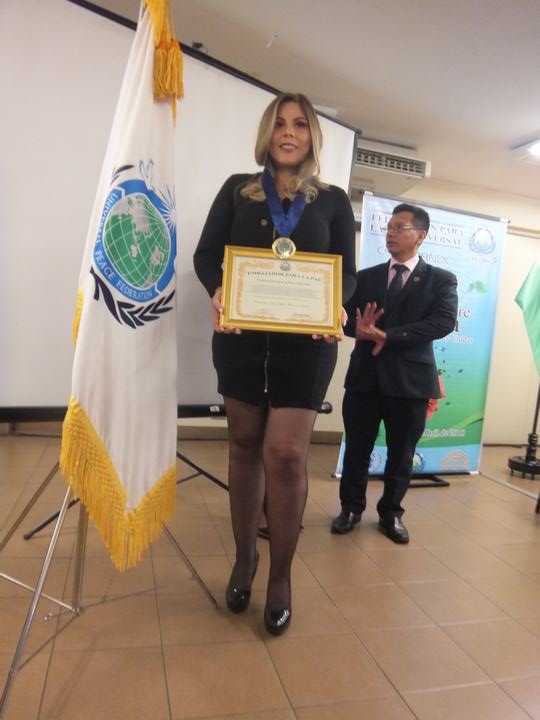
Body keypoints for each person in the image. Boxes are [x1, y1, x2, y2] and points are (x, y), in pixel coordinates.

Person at [194, 92, 356, 634]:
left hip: (306, 347)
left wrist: (338, 303)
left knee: (285, 455)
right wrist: (219, 289)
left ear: (312, 137)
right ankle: (245, 559)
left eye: (301, 125)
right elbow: (206, 255)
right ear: (268, 132)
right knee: (244, 446)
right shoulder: (236, 190)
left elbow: (347, 273)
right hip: (241, 342)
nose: (290, 133)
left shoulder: (333, 201)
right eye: (281, 123)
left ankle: (281, 575)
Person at [331, 203, 458, 543]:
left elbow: (443, 322)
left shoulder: (441, 280)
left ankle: (391, 514)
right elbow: (344, 318)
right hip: (365, 378)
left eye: (400, 228)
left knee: (402, 455)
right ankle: (351, 509)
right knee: (357, 449)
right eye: (388, 228)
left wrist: (389, 336)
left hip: (411, 383)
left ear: (421, 235)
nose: (390, 233)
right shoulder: (365, 277)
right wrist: (357, 329)